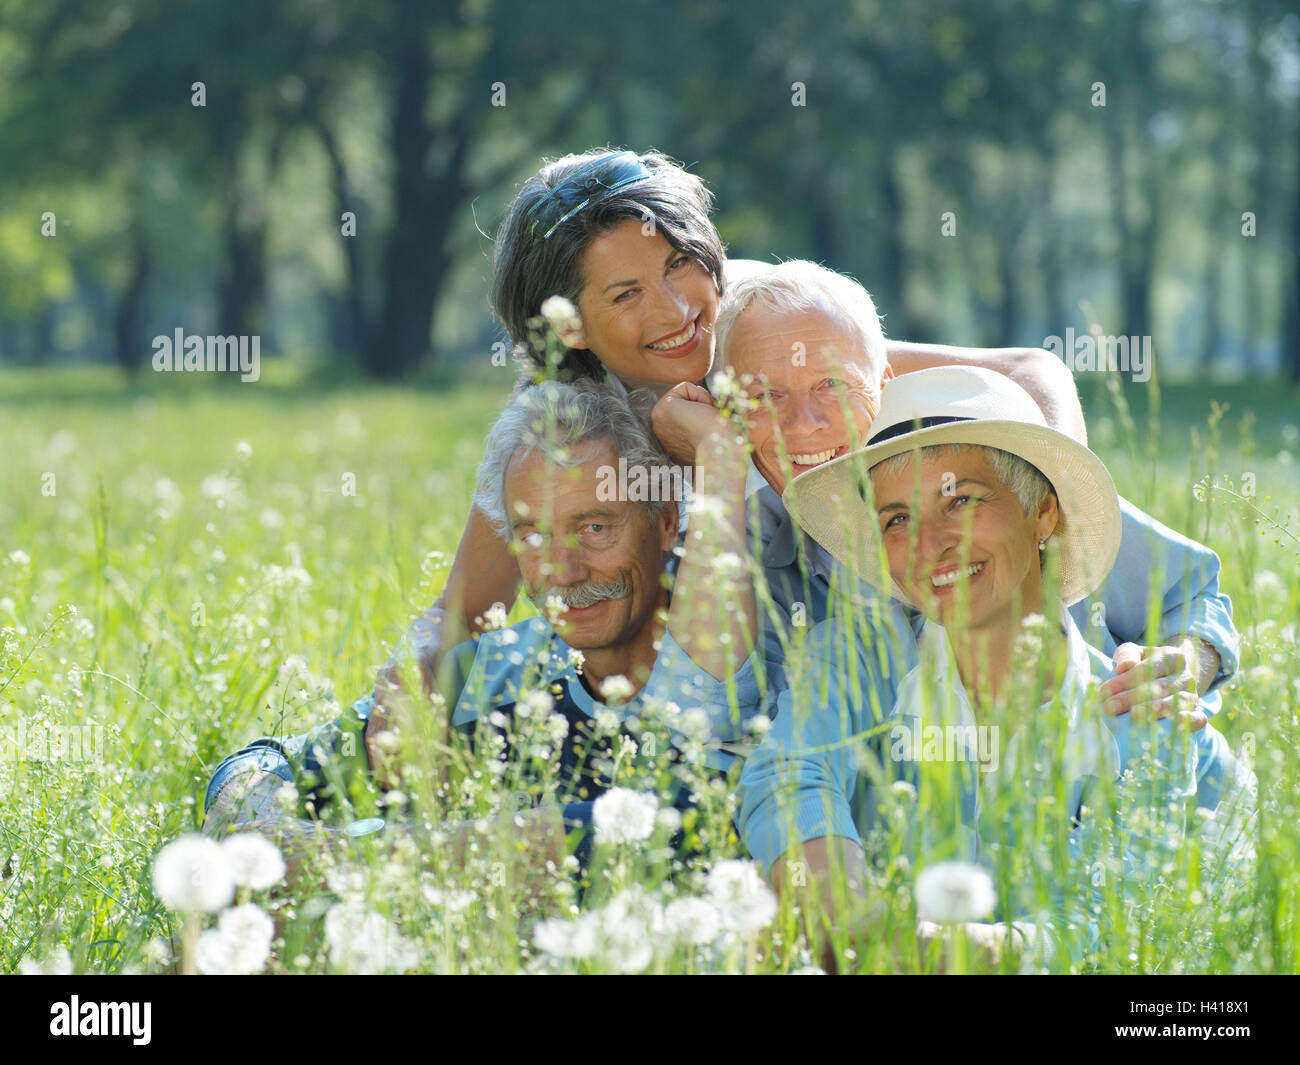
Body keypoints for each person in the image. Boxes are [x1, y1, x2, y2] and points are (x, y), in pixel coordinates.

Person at [384, 148, 1089, 714]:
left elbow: (1033, 370)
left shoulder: (758, 329)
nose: (674, 313)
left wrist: (1053, 560)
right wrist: (400, 690)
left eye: (679, 265)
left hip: (838, 677)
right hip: (695, 697)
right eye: (625, 295)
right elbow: (466, 612)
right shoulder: (566, 417)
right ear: (567, 327)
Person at [736, 366, 1256, 969]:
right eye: (897, 519)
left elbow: (1105, 937)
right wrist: (849, 910)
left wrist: (894, 946)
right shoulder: (853, 661)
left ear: (1042, 514)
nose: (931, 545)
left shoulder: (1142, 709)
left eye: (960, 501)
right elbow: (787, 779)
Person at [701, 261, 1238, 807]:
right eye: (764, 398)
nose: (804, 424)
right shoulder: (743, 556)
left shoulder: (1001, 489)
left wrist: (1180, 670)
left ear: (882, 385)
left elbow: (1190, 594)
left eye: (832, 385)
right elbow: (738, 746)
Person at [203, 378, 766, 888]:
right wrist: (256, 830)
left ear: (667, 520)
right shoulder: (495, 671)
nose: (563, 573)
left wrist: (344, 861)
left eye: (595, 527)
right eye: (534, 536)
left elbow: (653, 829)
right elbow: (267, 763)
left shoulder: (736, 686)